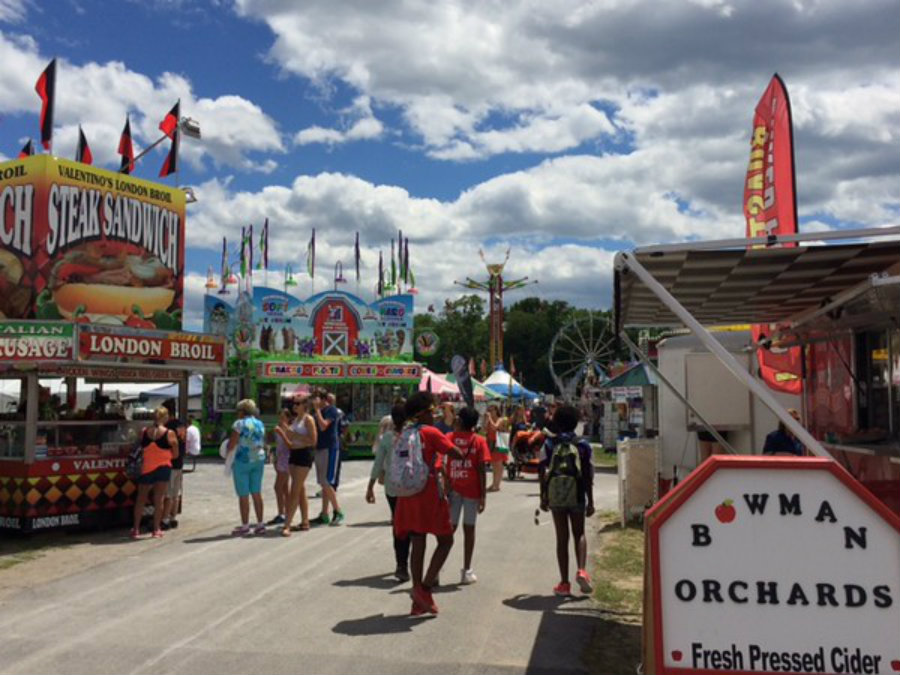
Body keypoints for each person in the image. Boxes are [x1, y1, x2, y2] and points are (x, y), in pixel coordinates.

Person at [393, 392, 463, 616]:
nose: (436, 415)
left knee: (418, 540)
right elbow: (456, 453)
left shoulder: (406, 433)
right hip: (429, 492)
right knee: (446, 540)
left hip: (408, 493)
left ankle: (417, 598)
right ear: (424, 414)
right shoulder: (431, 432)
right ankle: (424, 588)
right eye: (434, 411)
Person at [539, 404, 595, 597]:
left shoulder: (549, 444)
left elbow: (543, 472)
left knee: (561, 538)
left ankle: (564, 583)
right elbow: (588, 474)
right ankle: (581, 570)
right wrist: (591, 501)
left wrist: (543, 498)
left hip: (556, 496)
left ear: (556, 423)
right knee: (579, 533)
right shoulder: (582, 445)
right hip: (577, 493)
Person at [445, 406, 490, 584]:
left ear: (460, 421)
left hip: (453, 490)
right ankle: (467, 570)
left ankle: (438, 568)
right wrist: (483, 496)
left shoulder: (449, 438)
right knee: (469, 530)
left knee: (449, 530)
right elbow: (481, 470)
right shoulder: (479, 441)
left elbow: (441, 461)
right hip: (472, 492)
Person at [366, 404, 410, 582]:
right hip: (411, 487)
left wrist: (370, 486)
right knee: (411, 526)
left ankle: (401, 565)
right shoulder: (413, 436)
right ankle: (408, 562)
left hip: (392, 488)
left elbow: (378, 463)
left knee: (398, 524)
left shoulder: (386, 438)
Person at [132, 406, 179, 539]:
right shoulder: (169, 433)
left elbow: (139, 447)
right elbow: (175, 455)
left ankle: (136, 529)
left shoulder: (144, 431)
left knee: (141, 498)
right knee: (159, 499)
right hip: (163, 467)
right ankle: (156, 529)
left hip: (146, 467)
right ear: (165, 418)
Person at [226, 398, 267, 536]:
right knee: (256, 492)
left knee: (243, 494)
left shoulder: (239, 424)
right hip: (258, 458)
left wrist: (226, 452)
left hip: (243, 460)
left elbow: (232, 444)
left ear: (242, 411)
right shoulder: (260, 423)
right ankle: (260, 523)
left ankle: (245, 525)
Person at [279, 397, 317, 536]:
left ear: (305, 405)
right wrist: (285, 434)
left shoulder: (308, 420)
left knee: (294, 489)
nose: (294, 406)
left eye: (297, 404)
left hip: (304, 454)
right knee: (300, 488)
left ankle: (287, 524)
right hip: (294, 453)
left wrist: (294, 435)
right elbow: (291, 440)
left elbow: (313, 441)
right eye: (293, 404)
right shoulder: (296, 420)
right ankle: (305, 521)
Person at [311, 391, 344, 525]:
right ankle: (324, 513)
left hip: (330, 448)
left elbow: (324, 426)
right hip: (319, 447)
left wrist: (317, 410)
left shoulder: (332, 410)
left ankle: (338, 511)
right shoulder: (316, 413)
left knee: (327, 481)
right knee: (323, 483)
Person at [161, 399, 187, 530]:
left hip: (170, 462)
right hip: (180, 462)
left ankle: (165, 519)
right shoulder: (181, 424)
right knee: (176, 493)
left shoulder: (168, 427)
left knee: (168, 494)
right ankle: (173, 518)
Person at [267, 408, 293, 526]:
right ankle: (286, 512)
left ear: (288, 418)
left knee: (278, 487)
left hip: (286, 460)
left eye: (283, 417)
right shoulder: (279, 428)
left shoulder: (288, 429)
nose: (281, 420)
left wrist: (282, 433)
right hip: (280, 459)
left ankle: (282, 513)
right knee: (284, 488)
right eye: (280, 417)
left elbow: (290, 444)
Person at [486, 405, 506, 492]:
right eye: (489, 410)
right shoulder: (489, 420)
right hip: (491, 442)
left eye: (492, 410)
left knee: (499, 464)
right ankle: (494, 483)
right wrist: (485, 420)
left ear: (496, 410)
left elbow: (495, 427)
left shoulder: (500, 419)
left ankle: (497, 484)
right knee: (494, 465)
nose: (491, 412)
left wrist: (489, 418)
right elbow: (484, 429)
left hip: (499, 441)